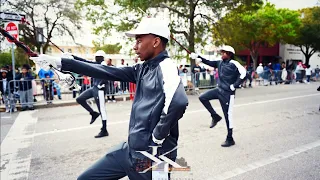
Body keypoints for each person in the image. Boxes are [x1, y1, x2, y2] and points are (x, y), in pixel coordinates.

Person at [30, 17, 188, 180]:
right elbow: (105, 70)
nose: (134, 47)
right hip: (130, 150)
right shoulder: (142, 68)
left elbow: (178, 102)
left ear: (155, 42)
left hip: (155, 157)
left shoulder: (166, 66)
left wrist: (157, 136)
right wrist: (64, 62)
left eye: (139, 41)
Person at [190, 45, 246, 147]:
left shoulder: (234, 63)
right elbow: (208, 62)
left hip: (228, 94)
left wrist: (234, 86)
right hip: (219, 90)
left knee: (228, 116)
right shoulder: (219, 63)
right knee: (202, 97)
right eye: (221, 52)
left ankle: (230, 138)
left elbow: (244, 74)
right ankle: (215, 116)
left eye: (223, 52)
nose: (222, 54)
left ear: (229, 54)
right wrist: (198, 56)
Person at [73, 50, 109, 138]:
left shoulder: (103, 65)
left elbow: (106, 76)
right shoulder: (95, 64)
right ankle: (93, 113)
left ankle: (104, 130)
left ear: (102, 58)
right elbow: (85, 62)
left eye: (98, 57)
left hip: (100, 89)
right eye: (96, 57)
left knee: (102, 110)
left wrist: (102, 84)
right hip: (94, 88)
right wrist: (73, 57)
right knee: (80, 99)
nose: (96, 58)